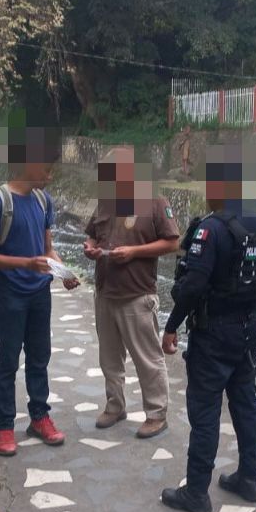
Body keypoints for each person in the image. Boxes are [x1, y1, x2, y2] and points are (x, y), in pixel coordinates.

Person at [160, 145, 256, 512]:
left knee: (205, 410)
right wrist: (253, 316)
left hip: (213, 334)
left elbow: (193, 285)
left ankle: (196, 492)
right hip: (248, 333)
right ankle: (249, 479)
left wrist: (171, 326)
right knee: (246, 404)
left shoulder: (211, 229)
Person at [0, 131, 79, 457]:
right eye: (46, 168)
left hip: (39, 293)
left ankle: (39, 417)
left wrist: (62, 272)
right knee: (8, 360)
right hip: (10, 295)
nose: (50, 175)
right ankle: (4, 426)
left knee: (39, 357)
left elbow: (48, 249)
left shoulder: (43, 201)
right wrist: (27, 263)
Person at [83, 146, 180, 438]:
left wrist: (134, 252)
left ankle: (157, 414)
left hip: (137, 294)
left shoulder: (154, 200)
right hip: (105, 292)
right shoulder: (105, 201)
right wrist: (90, 248)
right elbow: (91, 235)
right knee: (109, 358)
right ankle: (115, 406)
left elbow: (172, 242)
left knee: (147, 358)